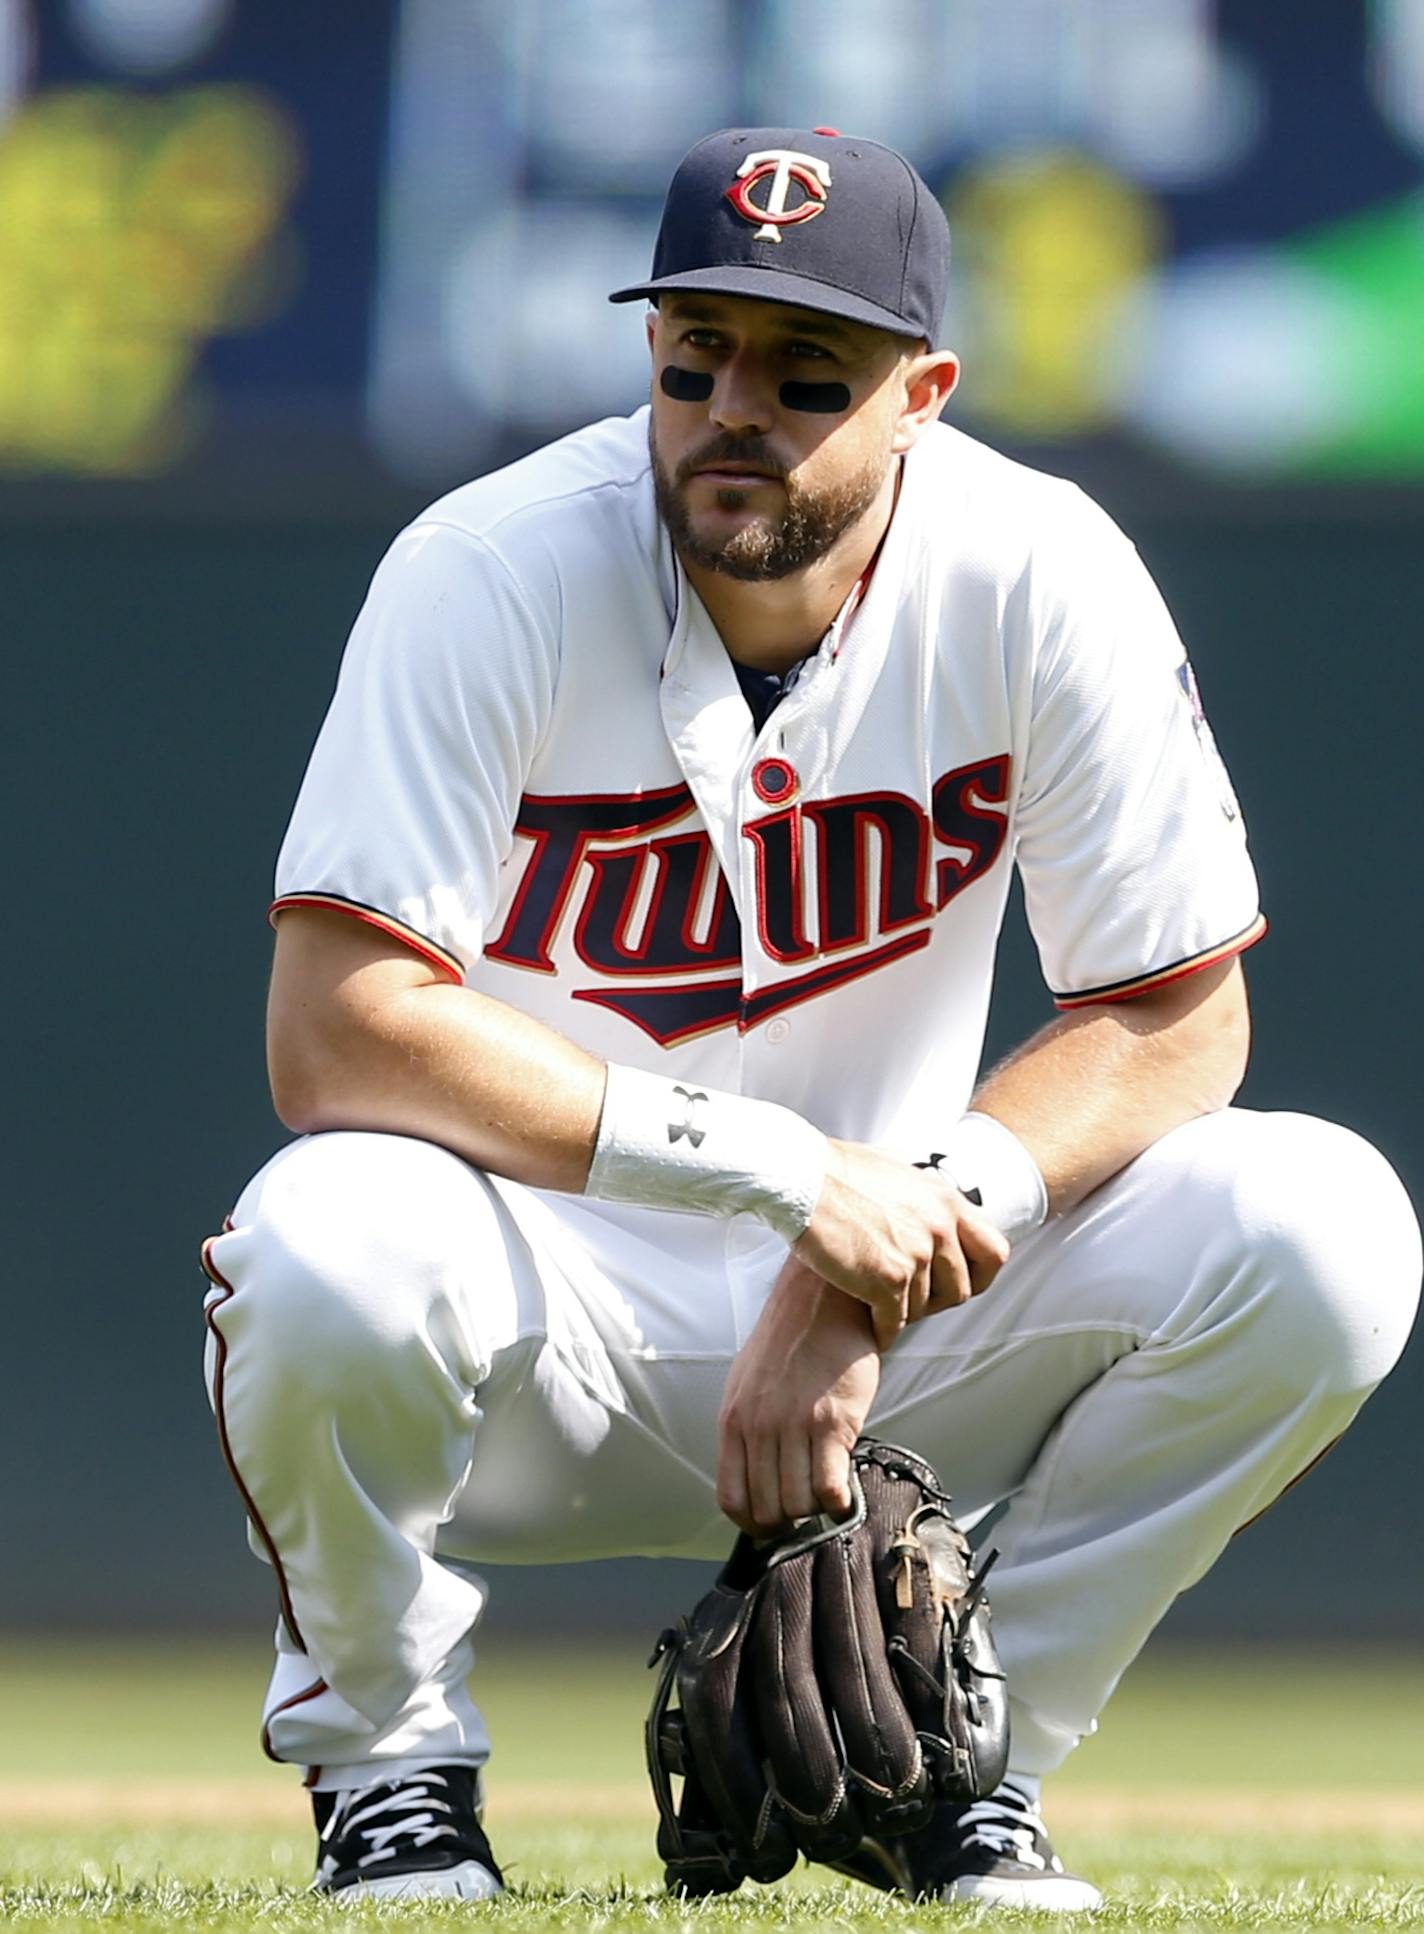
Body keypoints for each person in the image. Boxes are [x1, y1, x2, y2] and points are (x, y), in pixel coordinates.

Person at [201, 126, 1421, 1909]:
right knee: (318, 1246)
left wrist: (879, 1249)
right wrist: (781, 1180)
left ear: (924, 390)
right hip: (550, 1314)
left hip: (890, 1339)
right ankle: (390, 1769)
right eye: (693, 355)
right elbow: (339, 1030)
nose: (729, 407)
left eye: (802, 371)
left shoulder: (1037, 571)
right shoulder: (491, 566)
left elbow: (1176, 1013)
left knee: (1325, 1224)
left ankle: (965, 1752)